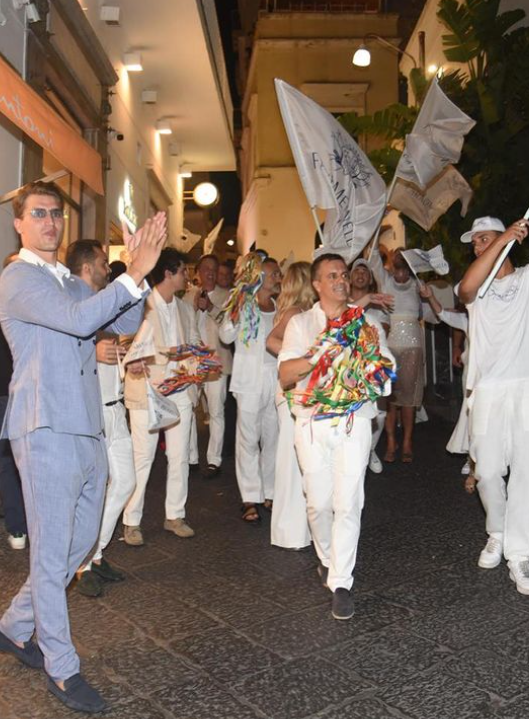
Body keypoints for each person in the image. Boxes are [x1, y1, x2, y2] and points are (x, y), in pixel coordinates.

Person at [0, 181, 165, 714]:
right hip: (45, 428)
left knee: (77, 547)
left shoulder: (68, 279)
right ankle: (62, 669)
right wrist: (135, 272)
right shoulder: (17, 279)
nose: (50, 222)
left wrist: (133, 279)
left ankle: (12, 626)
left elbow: (121, 323)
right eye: (39, 214)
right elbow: (76, 322)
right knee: (52, 556)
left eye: (55, 214)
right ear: (20, 223)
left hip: (87, 427)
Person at [279, 253, 394, 620]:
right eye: (332, 276)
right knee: (318, 503)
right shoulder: (301, 322)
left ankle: (341, 581)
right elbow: (284, 375)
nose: (342, 280)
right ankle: (328, 560)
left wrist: (372, 370)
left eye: (344, 274)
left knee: (349, 503)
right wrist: (321, 354)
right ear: (316, 284)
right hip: (312, 424)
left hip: (354, 422)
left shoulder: (367, 322)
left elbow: (387, 375)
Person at [457, 215, 529, 593]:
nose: (479, 247)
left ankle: (520, 552)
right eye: (476, 244)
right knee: (486, 471)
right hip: (486, 390)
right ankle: (497, 531)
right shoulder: (475, 291)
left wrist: (507, 241)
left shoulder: (525, 280)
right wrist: (502, 241)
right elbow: (465, 287)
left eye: (485, 239)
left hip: (523, 387)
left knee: (525, 471)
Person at [66, 240, 136, 598]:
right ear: (86, 267)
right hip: (90, 414)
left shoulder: (104, 305)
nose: (109, 269)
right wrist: (93, 351)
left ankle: (96, 551)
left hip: (115, 407)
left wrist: (125, 359)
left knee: (125, 482)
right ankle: (82, 561)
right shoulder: (70, 305)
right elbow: (65, 350)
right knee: (90, 491)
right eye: (103, 263)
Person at [123, 248, 199, 546]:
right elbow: (126, 345)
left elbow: (192, 342)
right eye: (183, 271)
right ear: (168, 273)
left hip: (179, 390)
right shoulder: (141, 304)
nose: (187, 277)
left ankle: (175, 515)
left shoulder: (184, 308)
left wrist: (197, 362)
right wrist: (136, 361)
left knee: (179, 456)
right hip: (147, 391)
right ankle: (131, 521)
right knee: (142, 457)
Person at [219, 253, 281, 523]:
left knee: (273, 437)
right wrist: (234, 311)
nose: (279, 277)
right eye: (274, 273)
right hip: (248, 379)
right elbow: (225, 336)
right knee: (248, 440)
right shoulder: (242, 304)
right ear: (260, 277)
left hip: (274, 377)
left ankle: (270, 491)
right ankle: (249, 497)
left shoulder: (279, 306)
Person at [266, 261, 314, 549]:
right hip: (290, 391)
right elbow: (270, 341)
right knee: (292, 460)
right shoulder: (295, 313)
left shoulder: (301, 313)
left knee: (299, 459)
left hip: (297, 390)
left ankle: (299, 528)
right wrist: (298, 358)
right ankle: (289, 532)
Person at [368, 247, 431, 463]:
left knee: (409, 398)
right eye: (397, 257)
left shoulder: (417, 284)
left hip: (413, 345)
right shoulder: (385, 280)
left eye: (404, 257)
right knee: (390, 397)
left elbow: (429, 309)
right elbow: (374, 258)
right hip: (390, 345)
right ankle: (392, 441)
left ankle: (407, 443)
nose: (400, 259)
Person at [418, 283, 475, 493]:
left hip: (495, 378)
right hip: (472, 377)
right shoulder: (467, 320)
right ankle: (472, 460)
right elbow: (442, 314)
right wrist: (430, 296)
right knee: (471, 417)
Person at [184, 254, 232, 478]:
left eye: (214, 269)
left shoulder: (227, 297)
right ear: (199, 273)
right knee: (191, 409)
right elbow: (182, 327)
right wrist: (194, 308)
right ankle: (192, 457)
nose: (210, 273)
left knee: (216, 411)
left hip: (217, 362)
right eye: (206, 269)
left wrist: (211, 308)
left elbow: (231, 327)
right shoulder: (187, 297)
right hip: (193, 363)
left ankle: (214, 460)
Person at [349, 258, 393, 475]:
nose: (360, 275)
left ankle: (370, 450)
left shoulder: (379, 304)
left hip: (371, 363)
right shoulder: (342, 301)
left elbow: (381, 330)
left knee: (380, 414)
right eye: (356, 271)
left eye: (365, 272)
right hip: (348, 366)